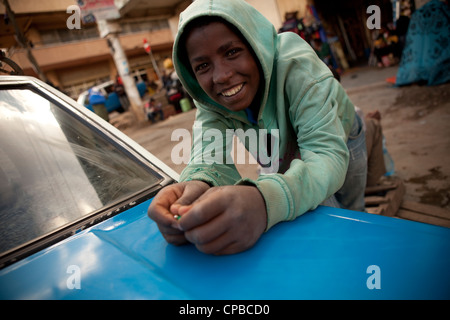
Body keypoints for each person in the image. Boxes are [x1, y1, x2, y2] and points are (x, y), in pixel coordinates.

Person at [148, 0, 367, 255]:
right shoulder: (211, 100)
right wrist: (196, 187)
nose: (221, 76)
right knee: (305, 203)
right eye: (203, 66)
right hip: (279, 150)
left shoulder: (297, 65)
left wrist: (264, 201)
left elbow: (325, 157)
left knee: (352, 209)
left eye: (231, 52)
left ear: (256, 46)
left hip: (341, 136)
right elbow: (208, 157)